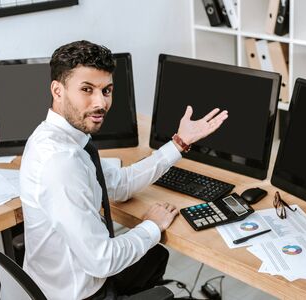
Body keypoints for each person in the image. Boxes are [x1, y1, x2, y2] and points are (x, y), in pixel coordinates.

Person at [19, 40, 228, 299]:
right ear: (57, 90)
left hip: (63, 278)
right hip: (79, 293)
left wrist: (178, 144)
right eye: (87, 89)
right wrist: (150, 225)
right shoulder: (60, 163)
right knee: (153, 251)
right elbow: (102, 261)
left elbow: (119, 184)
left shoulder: (61, 138)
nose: (101, 103)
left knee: (154, 256)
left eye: (106, 90)